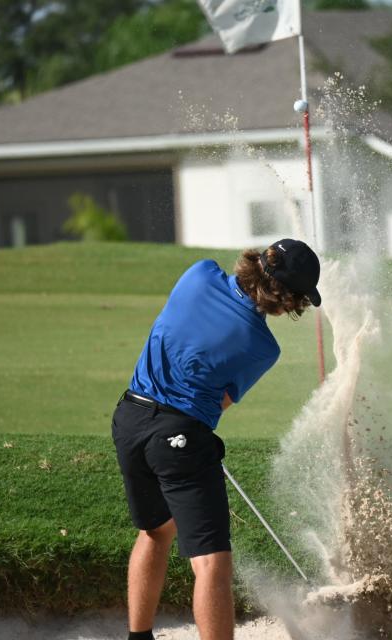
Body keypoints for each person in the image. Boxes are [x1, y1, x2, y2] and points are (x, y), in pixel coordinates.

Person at [111, 239, 321, 640]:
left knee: (156, 531)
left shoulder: (199, 272)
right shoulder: (263, 346)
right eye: (298, 300)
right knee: (212, 564)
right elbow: (218, 402)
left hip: (129, 418)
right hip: (178, 437)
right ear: (285, 296)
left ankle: (138, 637)